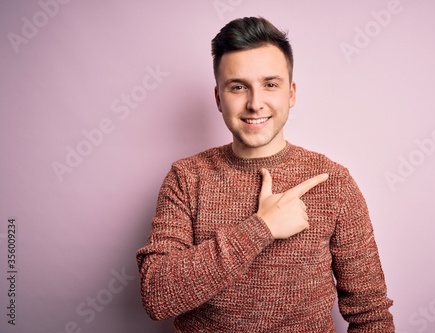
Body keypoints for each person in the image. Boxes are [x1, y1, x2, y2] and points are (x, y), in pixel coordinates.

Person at [136, 16, 394, 332]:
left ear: (291, 93)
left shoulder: (333, 182)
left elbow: (371, 315)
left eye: (270, 84)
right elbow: (158, 295)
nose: (255, 103)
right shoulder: (186, 178)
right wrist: (262, 227)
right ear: (219, 98)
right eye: (238, 87)